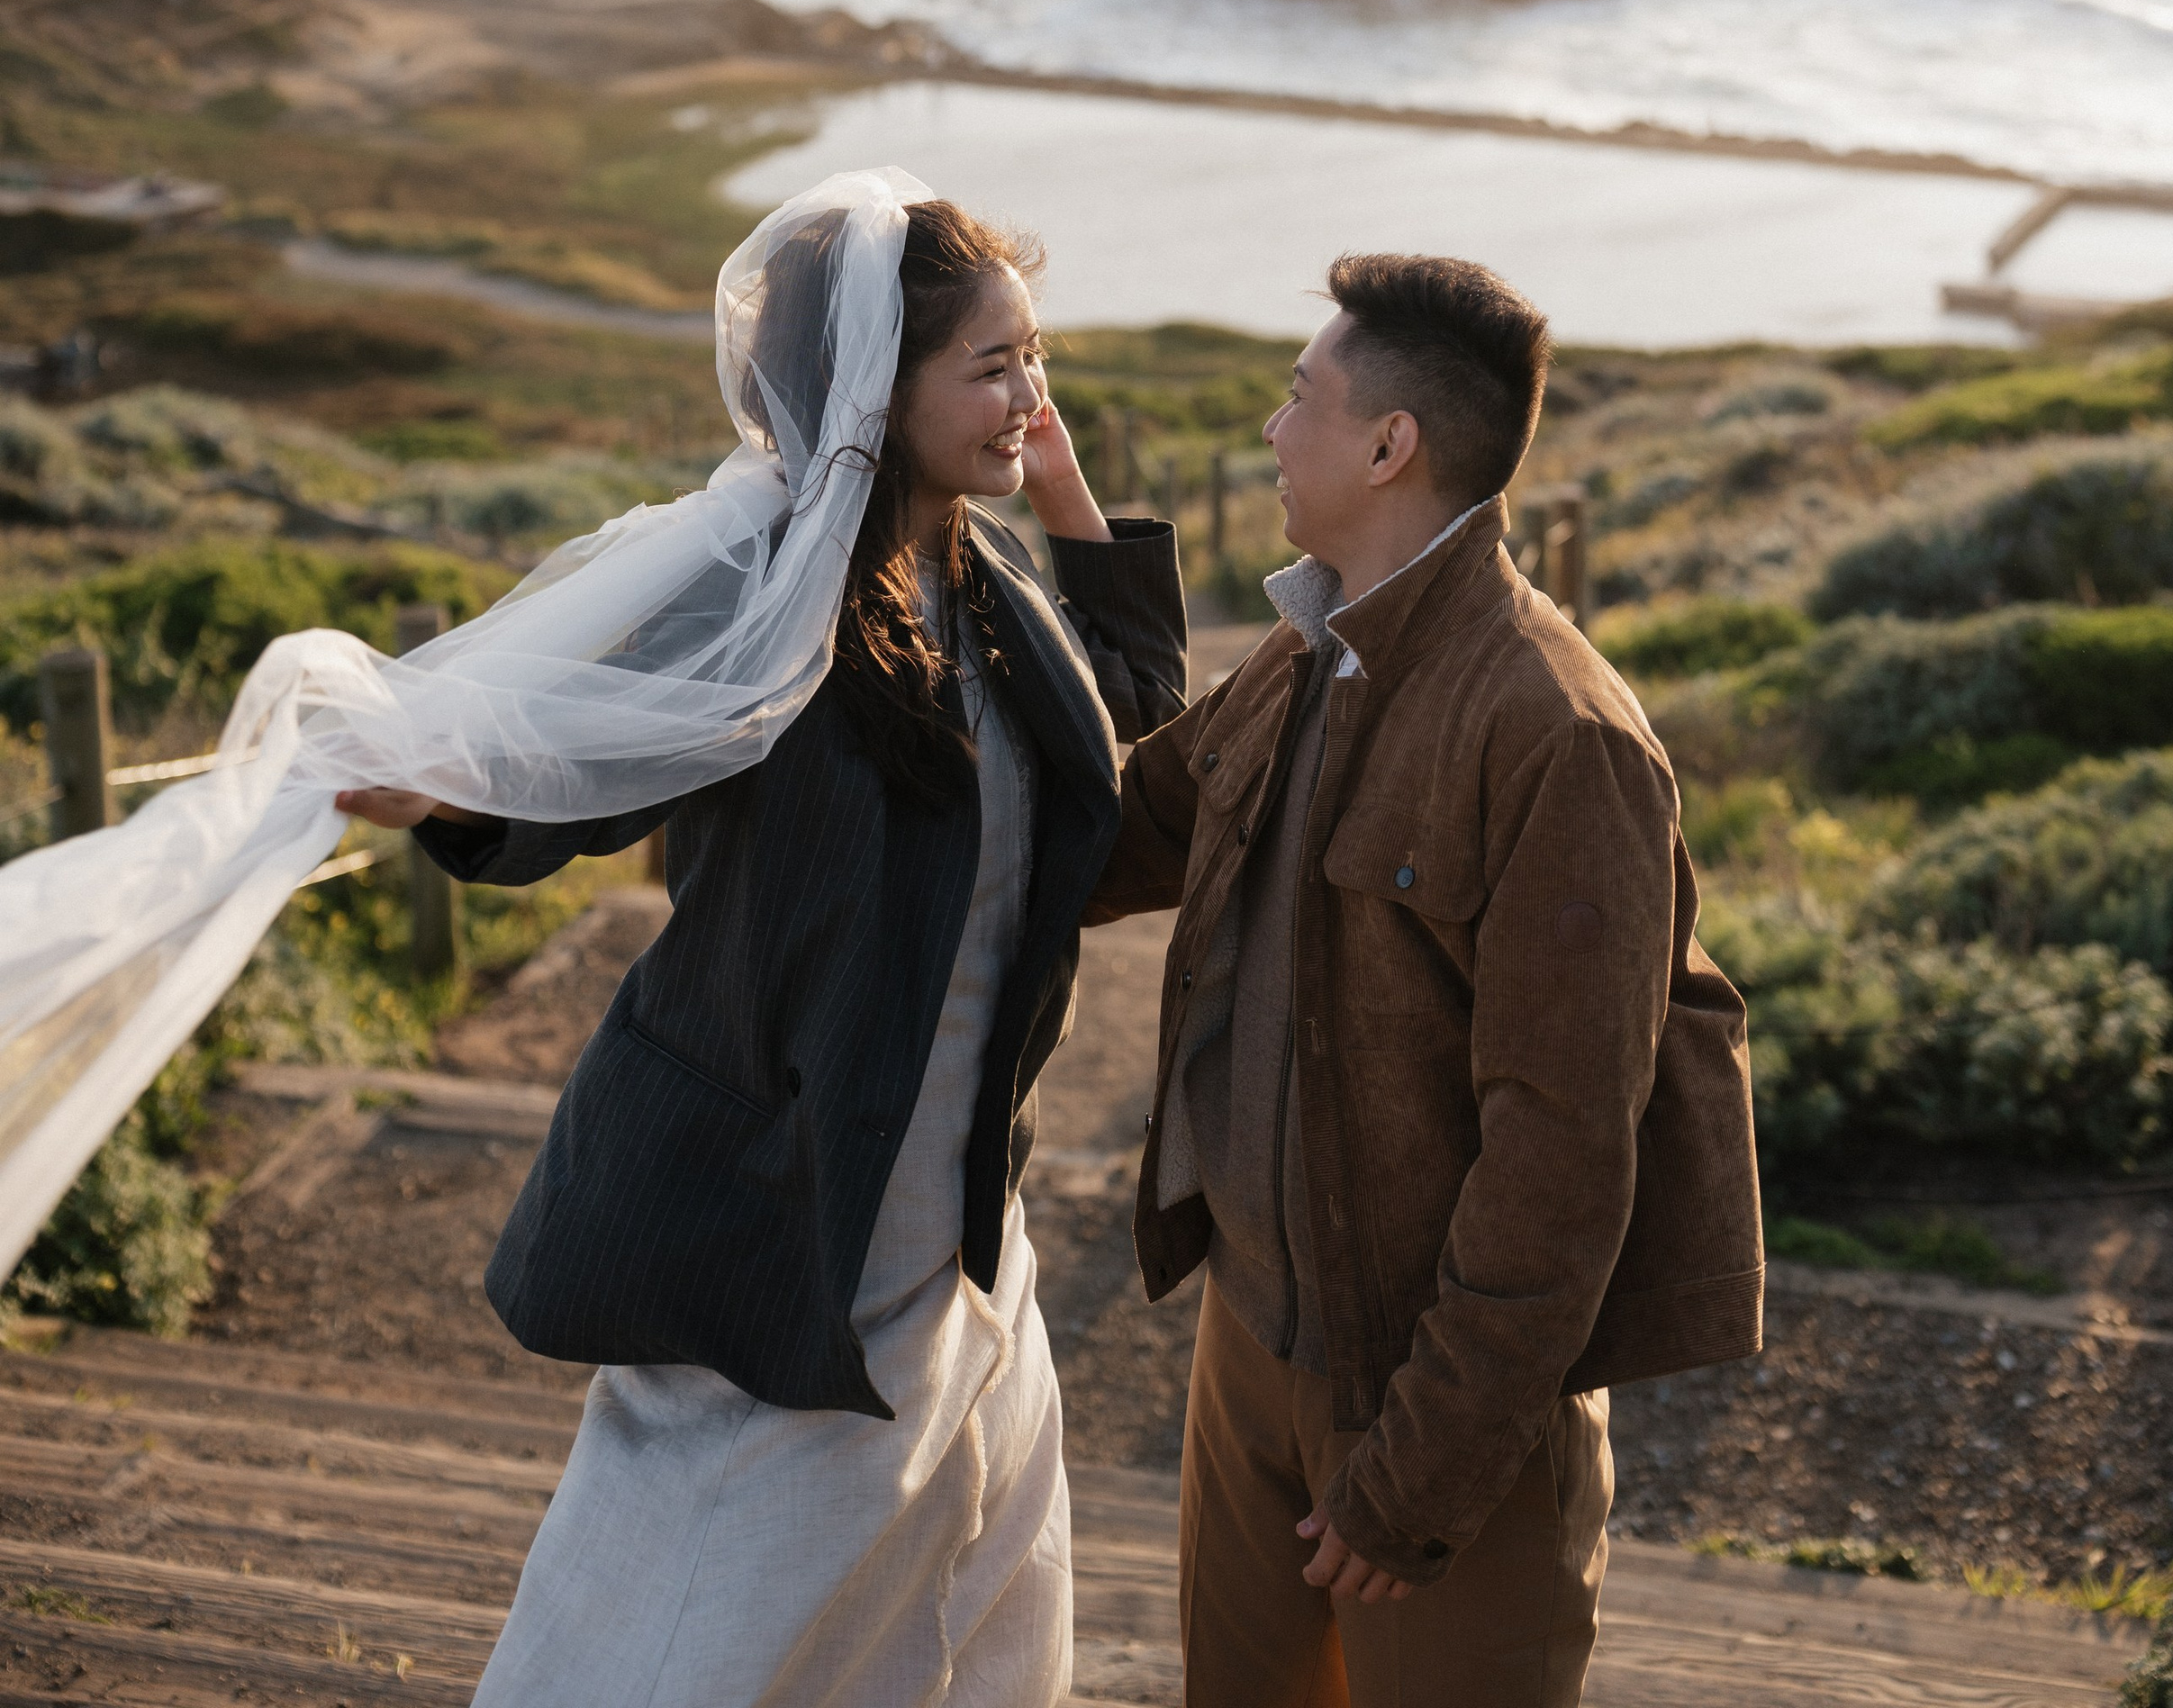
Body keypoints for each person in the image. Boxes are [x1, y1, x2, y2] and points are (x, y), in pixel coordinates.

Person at [340, 193, 1186, 1708]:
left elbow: (1124, 726)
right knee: (701, 1621)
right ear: (879, 386)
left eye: (1035, 357)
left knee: (953, 1616)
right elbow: (583, 764)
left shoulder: (991, 589)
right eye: (992, 369)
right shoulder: (763, 587)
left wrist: (1063, 494)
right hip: (776, 1205)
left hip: (957, 1227)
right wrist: (452, 791)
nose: (1030, 396)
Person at [1090, 249, 1762, 1708]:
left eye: (1299, 399)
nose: (1273, 431)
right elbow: (1115, 832)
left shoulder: (1557, 732)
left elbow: (1566, 1151)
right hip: (1249, 1345)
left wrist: (1427, 1470)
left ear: (1390, 445)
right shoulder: (1306, 648)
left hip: (1430, 1402)